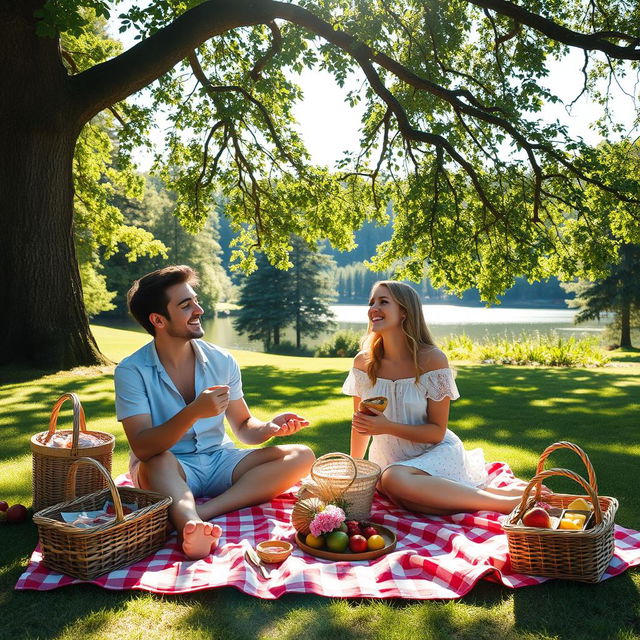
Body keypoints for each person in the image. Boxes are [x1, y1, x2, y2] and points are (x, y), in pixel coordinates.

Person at [114, 265, 315, 560]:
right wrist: (194, 411)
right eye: (186, 305)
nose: (199, 309)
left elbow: (244, 426)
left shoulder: (222, 361)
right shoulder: (131, 371)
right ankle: (189, 526)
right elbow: (143, 447)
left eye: (195, 300)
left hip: (221, 460)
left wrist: (270, 427)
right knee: (154, 464)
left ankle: (202, 513)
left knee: (302, 455)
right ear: (158, 319)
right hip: (171, 466)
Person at [342, 280, 528, 515]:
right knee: (403, 498)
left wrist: (387, 426)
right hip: (389, 464)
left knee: (394, 481)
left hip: (434, 456)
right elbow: (361, 426)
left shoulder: (432, 360)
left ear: (404, 312)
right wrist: (354, 470)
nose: (373, 308)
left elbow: (436, 432)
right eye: (372, 302)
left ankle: (507, 505)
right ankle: (512, 497)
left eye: (383, 302)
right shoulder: (363, 363)